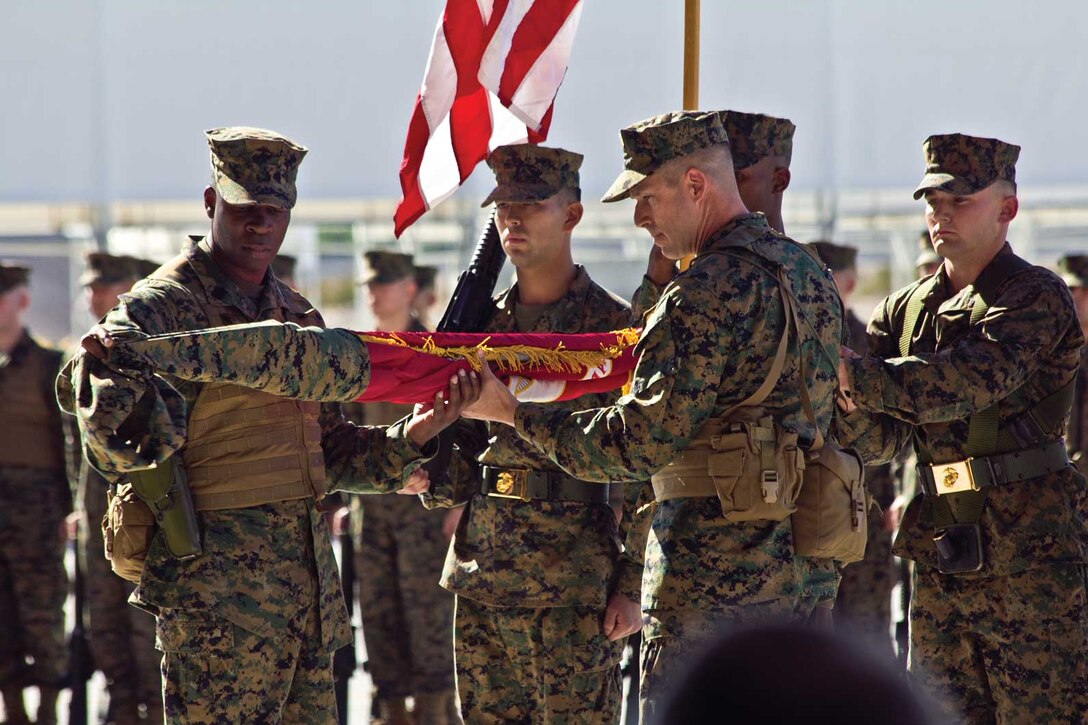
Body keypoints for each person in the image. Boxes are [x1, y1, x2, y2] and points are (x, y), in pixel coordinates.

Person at [59, 127, 476, 724]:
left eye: (275, 212)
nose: (260, 226)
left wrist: (410, 437)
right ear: (211, 204)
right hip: (216, 603)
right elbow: (111, 443)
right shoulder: (161, 308)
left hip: (305, 599)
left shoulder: (297, 316)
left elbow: (328, 451)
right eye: (244, 209)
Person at [462, 111, 843, 718]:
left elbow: (636, 443)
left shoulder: (703, 293)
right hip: (806, 561)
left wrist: (513, 414)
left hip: (714, 576)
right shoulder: (808, 275)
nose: (640, 218)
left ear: (696, 185)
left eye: (646, 197)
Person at [834, 133, 1088, 722]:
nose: (941, 214)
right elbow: (883, 442)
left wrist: (858, 379)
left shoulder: (1036, 296)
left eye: (960, 200)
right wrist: (844, 403)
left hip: (1030, 549)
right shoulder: (904, 309)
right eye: (933, 201)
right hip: (943, 545)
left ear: (1007, 209)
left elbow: (967, 381)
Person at [425, 143, 642, 723]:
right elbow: (453, 473)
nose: (512, 219)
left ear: (572, 214)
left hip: (574, 585)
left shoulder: (615, 332)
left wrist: (633, 581)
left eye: (531, 205)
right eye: (502, 206)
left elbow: (646, 466)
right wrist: (427, 442)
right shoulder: (477, 327)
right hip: (482, 575)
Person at [342, 251, 457, 724]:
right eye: (369, 285)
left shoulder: (434, 349)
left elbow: (463, 433)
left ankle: (434, 714)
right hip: (374, 513)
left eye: (384, 284)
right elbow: (343, 436)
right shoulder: (361, 352)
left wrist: (461, 502)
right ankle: (390, 713)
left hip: (426, 512)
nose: (373, 293)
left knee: (429, 621)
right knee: (380, 620)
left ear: (409, 289)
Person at [74, 252, 164, 724]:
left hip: (139, 508)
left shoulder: (149, 352)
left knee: (142, 620)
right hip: (96, 509)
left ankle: (151, 707)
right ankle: (122, 705)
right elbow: (77, 443)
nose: (96, 295)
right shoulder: (84, 356)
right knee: (102, 619)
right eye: (91, 286)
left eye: (107, 285)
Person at [809, 241, 898, 653]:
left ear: (848, 283)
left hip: (867, 513)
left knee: (866, 640)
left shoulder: (872, 344)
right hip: (809, 512)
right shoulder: (791, 342)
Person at [0, 262, 69, 725]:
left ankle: (47, 708)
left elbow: (70, 444)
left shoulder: (48, 365)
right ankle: (13, 710)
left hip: (37, 507)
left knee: (42, 609)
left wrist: (69, 507)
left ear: (21, 301)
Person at [1058, 254, 1088, 476]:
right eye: (1071, 291)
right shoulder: (1051, 355)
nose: (1078, 298)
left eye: (1084, 291)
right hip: (1064, 480)